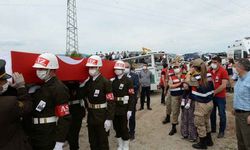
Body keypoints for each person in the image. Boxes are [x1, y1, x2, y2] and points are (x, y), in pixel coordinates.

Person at [29, 53, 71, 150]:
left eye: (42, 69)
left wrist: (59, 142)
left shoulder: (59, 88)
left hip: (49, 134)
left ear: (52, 70)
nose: (38, 72)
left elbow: (64, 117)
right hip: (38, 132)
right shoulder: (43, 85)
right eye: (37, 69)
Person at [78, 55, 115, 150]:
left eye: (93, 67)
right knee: (92, 142)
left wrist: (109, 118)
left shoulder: (105, 82)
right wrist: (82, 85)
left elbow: (111, 101)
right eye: (89, 67)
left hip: (102, 115)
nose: (90, 69)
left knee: (102, 142)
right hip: (91, 115)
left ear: (99, 67)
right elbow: (80, 96)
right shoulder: (88, 82)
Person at [0, 59, 32, 150]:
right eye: (4, 80)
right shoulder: (10, 102)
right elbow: (27, 106)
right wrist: (21, 87)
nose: (7, 82)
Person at [184, 58, 214, 149]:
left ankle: (202, 144)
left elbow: (186, 83)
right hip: (209, 102)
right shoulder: (209, 75)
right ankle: (209, 141)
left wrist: (189, 72)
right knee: (206, 121)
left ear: (195, 68)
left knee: (200, 124)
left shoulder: (196, 78)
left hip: (201, 104)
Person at [111, 60, 134, 150]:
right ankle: (120, 144)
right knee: (116, 127)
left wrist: (130, 109)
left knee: (123, 127)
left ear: (123, 70)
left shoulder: (128, 81)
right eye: (115, 69)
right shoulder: (113, 81)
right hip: (115, 107)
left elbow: (131, 96)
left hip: (124, 108)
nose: (117, 70)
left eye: (119, 69)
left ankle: (126, 145)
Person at [233, 58, 250, 150]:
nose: (235, 68)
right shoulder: (240, 78)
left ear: (241, 68)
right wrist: (235, 108)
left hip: (246, 115)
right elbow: (239, 95)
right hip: (238, 114)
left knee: (248, 142)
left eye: (236, 66)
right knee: (240, 140)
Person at [210, 55, 229, 138]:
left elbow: (224, 85)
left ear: (219, 63)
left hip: (220, 97)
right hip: (212, 97)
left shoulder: (223, 71)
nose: (213, 64)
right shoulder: (210, 71)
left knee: (221, 114)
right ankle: (213, 128)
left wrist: (214, 92)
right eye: (212, 62)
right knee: (212, 113)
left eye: (215, 62)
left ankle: (221, 131)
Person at [65, 81, 85, 150]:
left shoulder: (79, 84)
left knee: (74, 134)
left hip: (77, 112)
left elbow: (82, 96)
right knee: (67, 133)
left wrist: (82, 86)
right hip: (66, 111)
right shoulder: (63, 84)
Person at [180, 62, 197, 142]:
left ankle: (192, 136)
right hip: (186, 96)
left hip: (192, 98)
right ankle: (185, 133)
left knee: (191, 118)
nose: (191, 68)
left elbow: (194, 87)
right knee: (184, 117)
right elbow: (185, 84)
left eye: (193, 67)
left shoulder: (197, 76)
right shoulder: (188, 74)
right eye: (191, 67)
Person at [168, 61, 186, 136]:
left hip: (183, 96)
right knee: (175, 111)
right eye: (174, 67)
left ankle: (185, 127)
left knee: (185, 112)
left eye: (177, 67)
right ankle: (174, 127)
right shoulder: (171, 76)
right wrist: (180, 84)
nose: (176, 68)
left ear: (180, 68)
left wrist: (179, 84)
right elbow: (170, 86)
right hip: (174, 96)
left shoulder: (184, 75)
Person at [124, 63, 140, 140]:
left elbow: (136, 85)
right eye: (124, 67)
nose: (125, 68)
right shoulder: (121, 76)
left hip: (132, 99)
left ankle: (132, 132)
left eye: (127, 67)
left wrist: (127, 88)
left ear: (130, 68)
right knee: (123, 116)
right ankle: (125, 130)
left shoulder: (134, 75)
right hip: (123, 100)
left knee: (131, 116)